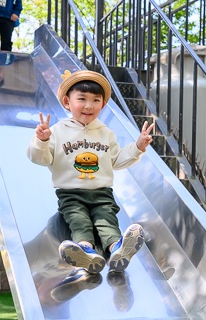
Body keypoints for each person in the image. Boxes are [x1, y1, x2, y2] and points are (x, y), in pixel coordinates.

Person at [28, 70, 155, 275]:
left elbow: (116, 159)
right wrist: (41, 140)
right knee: (79, 221)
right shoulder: (58, 131)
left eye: (96, 100)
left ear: (103, 105)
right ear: (67, 102)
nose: (89, 105)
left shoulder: (106, 133)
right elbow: (39, 158)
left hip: (102, 192)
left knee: (106, 219)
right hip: (71, 193)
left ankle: (118, 249)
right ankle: (85, 250)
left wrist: (138, 146)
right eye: (82, 99)